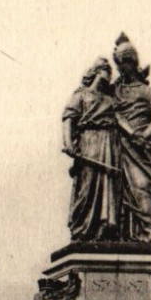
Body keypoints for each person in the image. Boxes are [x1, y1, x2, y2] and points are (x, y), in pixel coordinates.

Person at [113, 33, 151, 244]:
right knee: (119, 191)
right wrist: (130, 134)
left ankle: (150, 232)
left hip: (144, 149)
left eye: (125, 62)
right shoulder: (116, 90)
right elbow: (113, 113)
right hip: (123, 145)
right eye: (120, 63)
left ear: (133, 63)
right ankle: (125, 233)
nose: (122, 68)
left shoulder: (147, 92)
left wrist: (143, 136)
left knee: (143, 185)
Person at [62, 58, 120, 242]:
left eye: (110, 72)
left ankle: (102, 228)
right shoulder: (81, 95)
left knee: (106, 186)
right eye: (106, 70)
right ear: (96, 71)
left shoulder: (110, 100)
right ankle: (82, 228)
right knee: (86, 187)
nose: (109, 75)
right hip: (88, 144)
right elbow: (68, 119)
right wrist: (69, 144)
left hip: (108, 145)